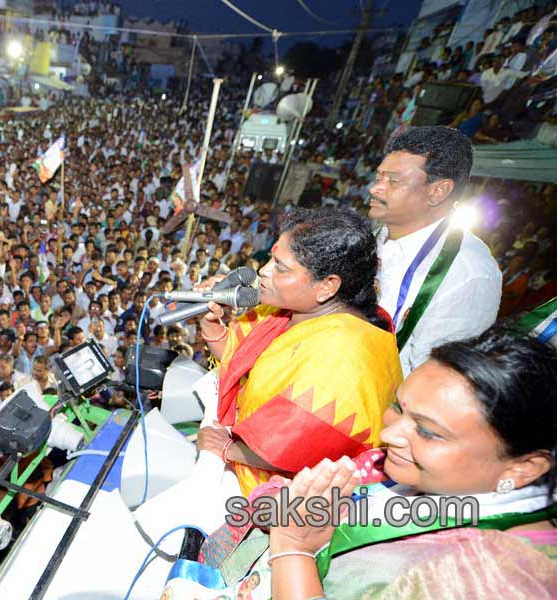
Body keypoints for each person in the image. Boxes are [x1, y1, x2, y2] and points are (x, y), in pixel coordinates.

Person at [175, 326, 557, 599]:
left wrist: (294, 549)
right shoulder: (396, 468)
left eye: (428, 431)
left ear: (522, 468)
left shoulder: (506, 580)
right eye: (398, 407)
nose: (389, 435)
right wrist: (285, 503)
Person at [196, 208, 403, 496]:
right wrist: (212, 325)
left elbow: (296, 447)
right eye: (270, 258)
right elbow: (242, 363)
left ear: (327, 286)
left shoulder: (346, 353)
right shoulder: (292, 309)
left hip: (284, 497)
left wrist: (228, 449)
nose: (263, 271)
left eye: (280, 267)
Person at [370, 126, 502, 375]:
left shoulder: (467, 272)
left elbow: (436, 376)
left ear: (437, 191)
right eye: (379, 178)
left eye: (393, 181)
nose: (374, 189)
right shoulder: (377, 235)